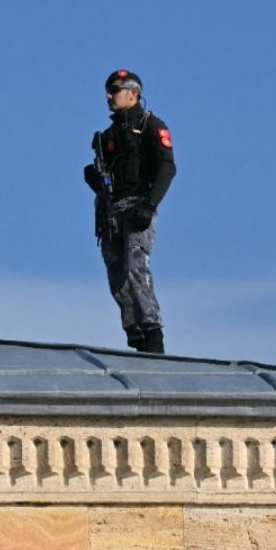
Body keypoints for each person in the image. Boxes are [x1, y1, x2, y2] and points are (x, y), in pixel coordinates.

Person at [84, 69, 175, 353]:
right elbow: (107, 176)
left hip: (137, 207)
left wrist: (150, 205)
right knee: (116, 273)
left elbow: (167, 167)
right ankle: (134, 330)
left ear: (133, 93)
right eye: (109, 90)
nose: (109, 95)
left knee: (137, 268)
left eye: (115, 89)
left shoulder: (149, 124)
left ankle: (152, 331)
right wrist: (95, 180)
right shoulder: (108, 135)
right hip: (111, 211)